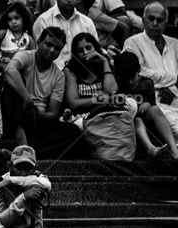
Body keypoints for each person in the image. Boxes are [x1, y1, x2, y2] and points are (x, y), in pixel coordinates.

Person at [1, 27, 90, 157]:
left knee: (73, 132)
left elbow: (53, 113)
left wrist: (36, 112)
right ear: (38, 42)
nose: (52, 50)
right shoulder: (25, 56)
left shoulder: (59, 75)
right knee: (11, 83)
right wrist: (27, 99)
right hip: (15, 115)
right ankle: (21, 139)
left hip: (36, 119)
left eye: (57, 48)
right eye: (48, 45)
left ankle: (29, 152)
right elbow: (9, 71)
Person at [122, 3, 178, 139]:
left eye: (160, 20)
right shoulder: (132, 43)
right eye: (151, 18)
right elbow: (140, 73)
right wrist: (173, 78)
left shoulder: (175, 44)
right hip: (151, 100)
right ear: (143, 20)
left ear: (166, 22)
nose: (155, 23)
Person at [114, 50, 178, 160]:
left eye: (132, 78)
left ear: (138, 70)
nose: (129, 82)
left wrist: (148, 104)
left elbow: (152, 103)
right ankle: (151, 148)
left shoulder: (147, 83)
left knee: (155, 109)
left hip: (145, 118)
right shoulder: (118, 84)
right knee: (137, 120)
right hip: (129, 120)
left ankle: (174, 149)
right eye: (126, 79)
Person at [63, 32, 116, 124]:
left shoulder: (104, 66)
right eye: (80, 50)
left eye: (88, 48)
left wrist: (104, 62)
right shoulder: (69, 71)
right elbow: (73, 103)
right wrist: (100, 99)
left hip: (105, 112)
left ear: (95, 47)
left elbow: (111, 92)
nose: (85, 52)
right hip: (82, 117)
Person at [33, 0, 98, 69]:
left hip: (82, 73)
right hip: (52, 74)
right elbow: (42, 56)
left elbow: (95, 51)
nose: (69, 0)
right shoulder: (43, 20)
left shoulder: (87, 22)